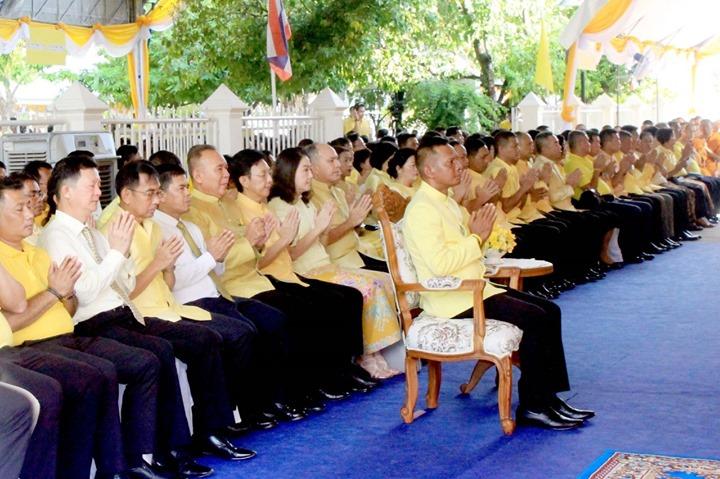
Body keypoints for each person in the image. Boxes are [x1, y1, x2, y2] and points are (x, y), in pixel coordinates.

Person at [37, 156, 245, 476]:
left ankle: (178, 445)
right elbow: (86, 293)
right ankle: (146, 455)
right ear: (66, 192)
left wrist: (131, 260)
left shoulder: (91, 231)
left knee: (186, 343)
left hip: (123, 312)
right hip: (93, 322)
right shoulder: (56, 236)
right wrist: (118, 252)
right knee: (151, 357)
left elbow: (124, 284)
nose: (99, 193)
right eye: (92, 186)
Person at [402, 137, 594, 430]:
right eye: (450, 162)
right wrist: (476, 237)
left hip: (474, 287)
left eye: (458, 160)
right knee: (536, 318)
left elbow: (466, 247)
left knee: (549, 310)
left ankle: (548, 398)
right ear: (429, 171)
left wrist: (477, 238)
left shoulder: (446, 201)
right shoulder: (422, 209)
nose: (459, 166)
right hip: (453, 298)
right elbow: (440, 265)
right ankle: (533, 406)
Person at [0, 176, 169, 479]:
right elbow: (12, 319)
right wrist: (54, 292)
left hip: (67, 334)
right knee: (87, 378)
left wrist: (63, 293)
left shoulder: (36, 252)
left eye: (28, 206)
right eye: (19, 209)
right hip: (26, 346)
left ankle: (114, 467)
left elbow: (69, 306)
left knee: (110, 369)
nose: (29, 214)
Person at [183, 145, 371, 408]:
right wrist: (257, 242)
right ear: (198, 176)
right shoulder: (195, 212)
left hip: (258, 278)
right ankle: (296, 389)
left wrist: (258, 243)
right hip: (234, 286)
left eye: (226, 168)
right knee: (293, 314)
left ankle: (336, 372)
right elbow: (219, 260)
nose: (226, 174)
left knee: (340, 299)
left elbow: (253, 252)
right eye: (219, 169)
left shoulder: (228, 203)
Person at [99, 160, 258, 461]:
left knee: (220, 336)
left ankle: (215, 425)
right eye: (150, 194)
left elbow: (167, 283)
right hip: (139, 314)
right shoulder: (115, 231)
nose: (156, 200)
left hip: (169, 307)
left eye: (157, 193)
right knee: (202, 341)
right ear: (126, 195)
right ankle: (199, 435)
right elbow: (123, 293)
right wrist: (159, 264)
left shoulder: (152, 226)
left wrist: (167, 267)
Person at [153, 163, 306, 427]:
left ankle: (271, 399)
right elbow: (175, 282)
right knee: (242, 333)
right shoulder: (159, 230)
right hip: (191, 302)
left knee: (273, 319)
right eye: (181, 188)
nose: (188, 193)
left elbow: (215, 270)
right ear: (162, 195)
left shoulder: (189, 227)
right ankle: (242, 408)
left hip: (218, 293)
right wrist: (211, 257)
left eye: (187, 187)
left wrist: (218, 257)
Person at [267, 148, 402, 378]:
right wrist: (321, 228)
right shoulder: (279, 206)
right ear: (289, 172)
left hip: (325, 264)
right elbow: (291, 254)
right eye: (305, 170)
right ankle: (365, 355)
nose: (310, 175)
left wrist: (327, 227)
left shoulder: (305, 203)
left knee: (384, 280)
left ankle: (375, 352)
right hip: (306, 270)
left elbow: (323, 243)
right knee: (368, 288)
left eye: (310, 170)